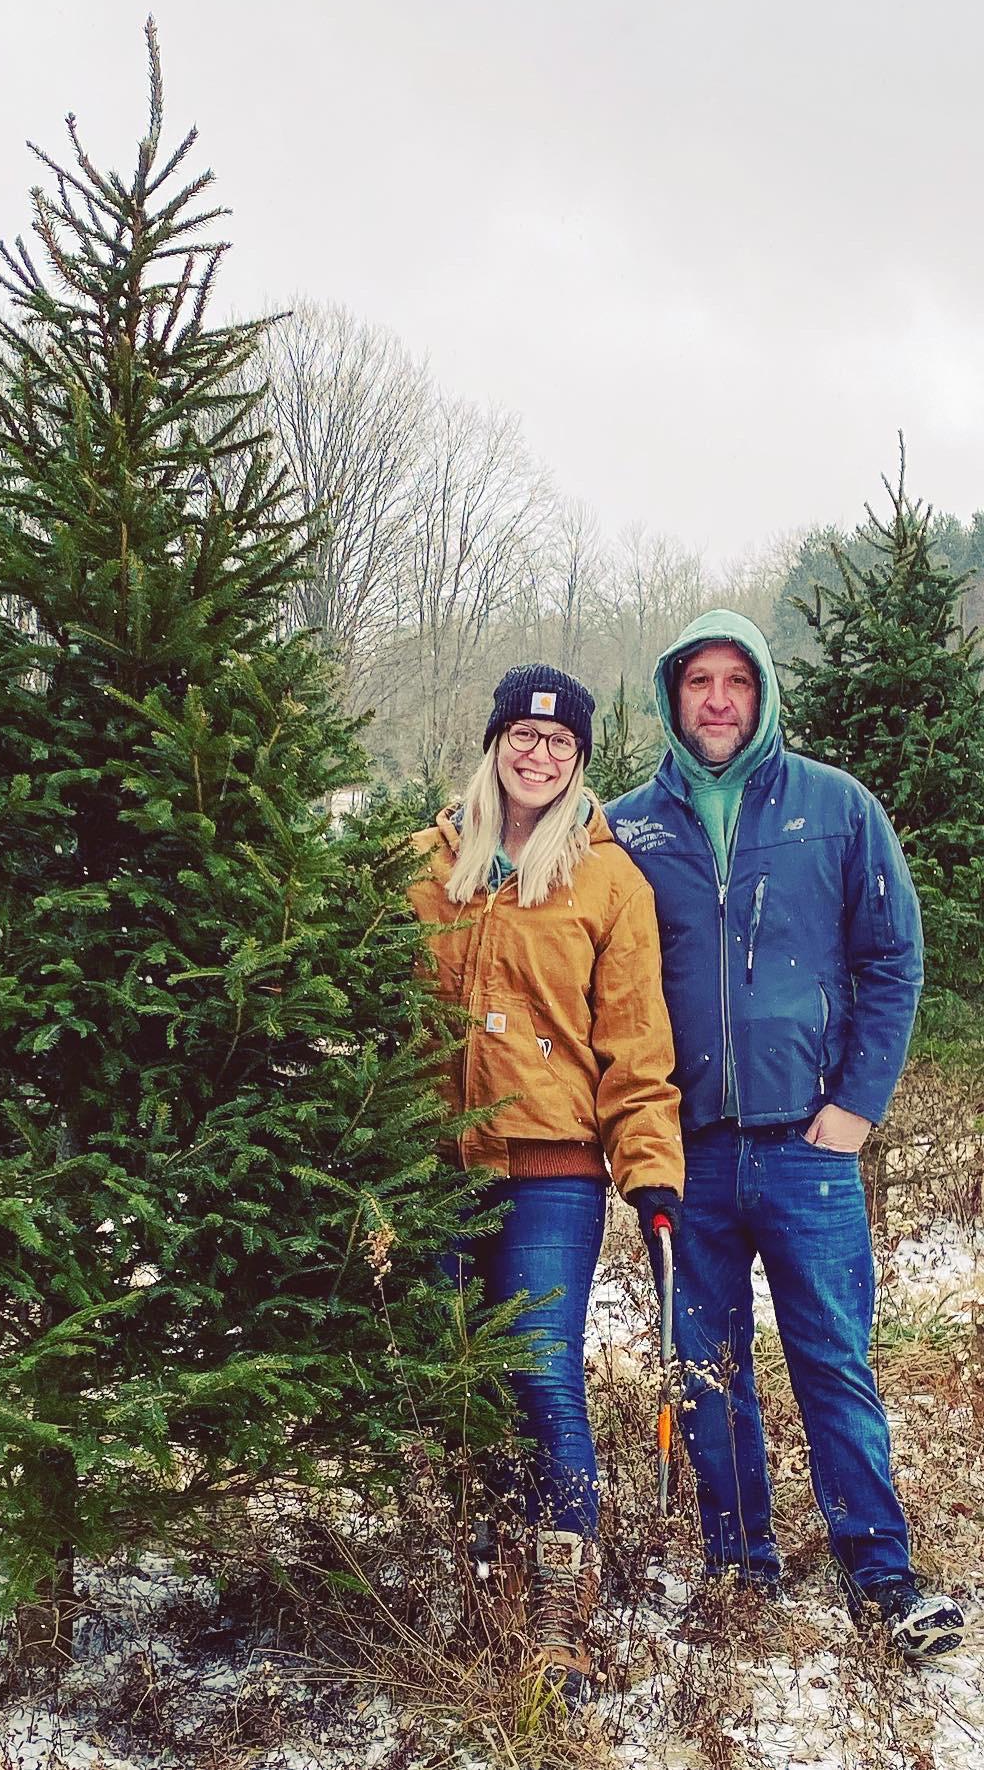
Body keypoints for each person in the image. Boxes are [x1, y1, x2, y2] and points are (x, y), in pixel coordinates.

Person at [606, 609, 965, 1659]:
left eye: (738, 681)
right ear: (673, 695)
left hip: (809, 1150)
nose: (718, 700)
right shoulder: (626, 830)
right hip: (688, 1154)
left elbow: (893, 959)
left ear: (762, 693)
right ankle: (739, 1572)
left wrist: (855, 1108)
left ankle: (882, 1577)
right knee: (707, 1370)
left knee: (833, 1362)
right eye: (699, 682)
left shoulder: (836, 808)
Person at [408, 664, 684, 1703]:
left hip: (552, 1173)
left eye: (560, 741)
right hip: (433, 1169)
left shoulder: (607, 881)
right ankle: (482, 1565)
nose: (538, 754)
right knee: (453, 1374)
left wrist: (650, 1171)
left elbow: (636, 1047)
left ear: (578, 760)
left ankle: (560, 1603)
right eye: (522, 736)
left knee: (540, 1371)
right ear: (494, 744)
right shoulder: (425, 866)